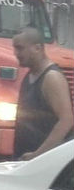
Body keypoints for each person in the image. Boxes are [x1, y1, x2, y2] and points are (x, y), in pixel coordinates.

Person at [12, 27, 74, 160]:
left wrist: (38, 155)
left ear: (37, 48)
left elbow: (66, 120)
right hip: (28, 161)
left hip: (45, 164)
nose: (16, 53)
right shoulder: (30, 75)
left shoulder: (52, 78)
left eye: (20, 48)